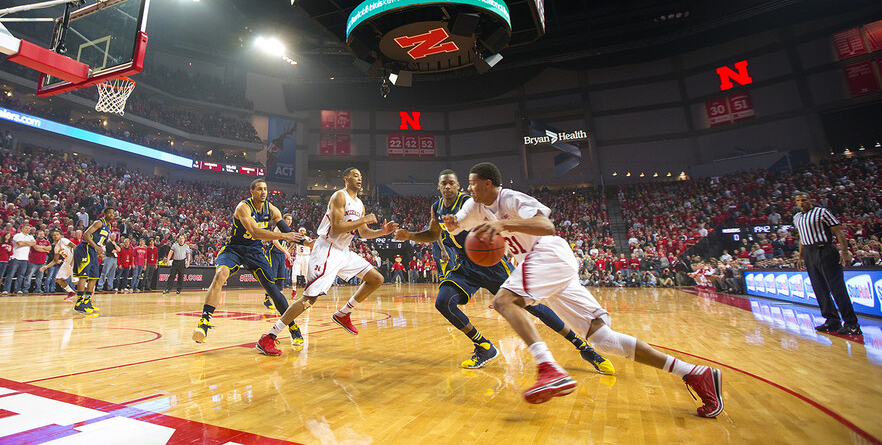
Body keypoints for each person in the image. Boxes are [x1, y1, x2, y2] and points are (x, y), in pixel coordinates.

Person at [444, 162, 723, 416]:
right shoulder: (473, 206)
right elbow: (458, 223)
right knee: (603, 339)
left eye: (472, 183)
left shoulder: (512, 199)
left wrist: (504, 222)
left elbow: (546, 225)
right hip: (547, 267)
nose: (469, 188)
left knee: (504, 301)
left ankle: (549, 368)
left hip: (546, 252)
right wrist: (453, 224)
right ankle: (695, 373)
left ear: (488, 183)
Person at [395, 169, 613, 373]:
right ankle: (484, 346)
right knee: (443, 302)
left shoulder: (471, 202)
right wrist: (411, 235)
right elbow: (434, 235)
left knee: (533, 307)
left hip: (492, 263)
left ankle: (584, 348)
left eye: (452, 183)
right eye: (444, 184)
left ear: (459, 185)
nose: (448, 187)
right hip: (465, 264)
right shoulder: (437, 207)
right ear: (438, 187)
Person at [257, 168, 396, 356]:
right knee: (308, 300)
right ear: (346, 179)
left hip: (343, 252)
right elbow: (337, 228)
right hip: (327, 250)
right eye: (355, 175)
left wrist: (382, 232)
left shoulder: (360, 204)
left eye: (361, 176)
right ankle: (269, 337)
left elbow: (363, 233)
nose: (359, 178)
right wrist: (363, 219)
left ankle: (344, 313)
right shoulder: (339, 196)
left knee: (376, 279)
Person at [194, 179, 305, 345]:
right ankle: (204, 322)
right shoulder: (243, 207)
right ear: (252, 192)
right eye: (259, 189)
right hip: (235, 248)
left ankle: (293, 326)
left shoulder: (272, 210)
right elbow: (254, 232)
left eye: (265, 189)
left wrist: (307, 242)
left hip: (255, 251)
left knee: (273, 290)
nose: (263, 192)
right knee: (220, 275)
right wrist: (283, 236)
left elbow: (289, 232)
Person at [792, 192, 860, 335]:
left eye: (804, 200)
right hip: (810, 253)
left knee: (836, 288)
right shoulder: (797, 217)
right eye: (798, 201)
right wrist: (800, 257)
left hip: (825, 250)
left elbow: (839, 232)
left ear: (810, 200)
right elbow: (802, 239)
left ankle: (851, 323)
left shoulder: (822, 212)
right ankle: (832, 320)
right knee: (819, 288)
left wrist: (845, 252)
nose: (801, 203)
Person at [75, 207, 113, 314]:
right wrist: (96, 247)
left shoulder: (108, 226)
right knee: (84, 276)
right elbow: (86, 235)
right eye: (109, 213)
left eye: (112, 213)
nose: (111, 215)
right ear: (104, 213)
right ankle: (79, 303)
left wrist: (98, 252)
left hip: (93, 251)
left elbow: (99, 240)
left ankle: (87, 302)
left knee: (94, 277)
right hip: (85, 248)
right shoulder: (99, 223)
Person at [290, 227, 311, 299]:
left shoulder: (308, 239)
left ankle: (308, 291)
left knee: (306, 275)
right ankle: (294, 290)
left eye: (303, 231)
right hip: (298, 256)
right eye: (300, 231)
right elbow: (291, 247)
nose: (302, 232)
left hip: (306, 257)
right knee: (294, 274)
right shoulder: (296, 239)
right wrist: (287, 252)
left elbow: (314, 246)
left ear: (305, 232)